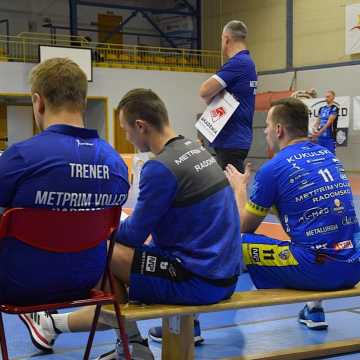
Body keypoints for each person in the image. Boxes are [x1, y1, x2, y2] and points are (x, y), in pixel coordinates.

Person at [23, 89, 242, 359]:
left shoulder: (160, 168)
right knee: (114, 277)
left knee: (99, 251)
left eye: (126, 130)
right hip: (225, 276)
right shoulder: (198, 151)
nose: (127, 137)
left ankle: (132, 346)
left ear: (141, 126)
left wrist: (96, 225)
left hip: (198, 281)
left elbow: (133, 235)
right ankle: (78, 332)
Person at [0, 58, 129, 342]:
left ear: (39, 102)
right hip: (86, 280)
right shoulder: (116, 163)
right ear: (83, 102)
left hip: (17, 284)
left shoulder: (20, 157)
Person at [224, 97, 360, 330]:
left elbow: (243, 228)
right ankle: (314, 309)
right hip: (354, 263)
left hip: (318, 270)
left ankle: (192, 321)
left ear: (278, 130)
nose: (265, 131)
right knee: (314, 235)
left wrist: (239, 189)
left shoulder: (273, 169)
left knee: (230, 242)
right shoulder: (328, 157)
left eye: (267, 125)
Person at [199, 20, 257, 173]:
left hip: (231, 140)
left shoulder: (238, 63)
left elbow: (204, 91)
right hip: (235, 139)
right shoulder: (247, 63)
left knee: (232, 191)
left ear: (226, 39)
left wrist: (213, 93)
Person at [311, 90, 339, 154]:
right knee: (320, 155)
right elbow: (318, 121)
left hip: (329, 137)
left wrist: (319, 132)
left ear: (333, 97)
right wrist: (314, 129)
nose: (326, 98)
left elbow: (329, 123)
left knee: (330, 155)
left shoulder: (334, 108)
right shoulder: (322, 108)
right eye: (326, 97)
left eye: (328, 97)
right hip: (320, 138)